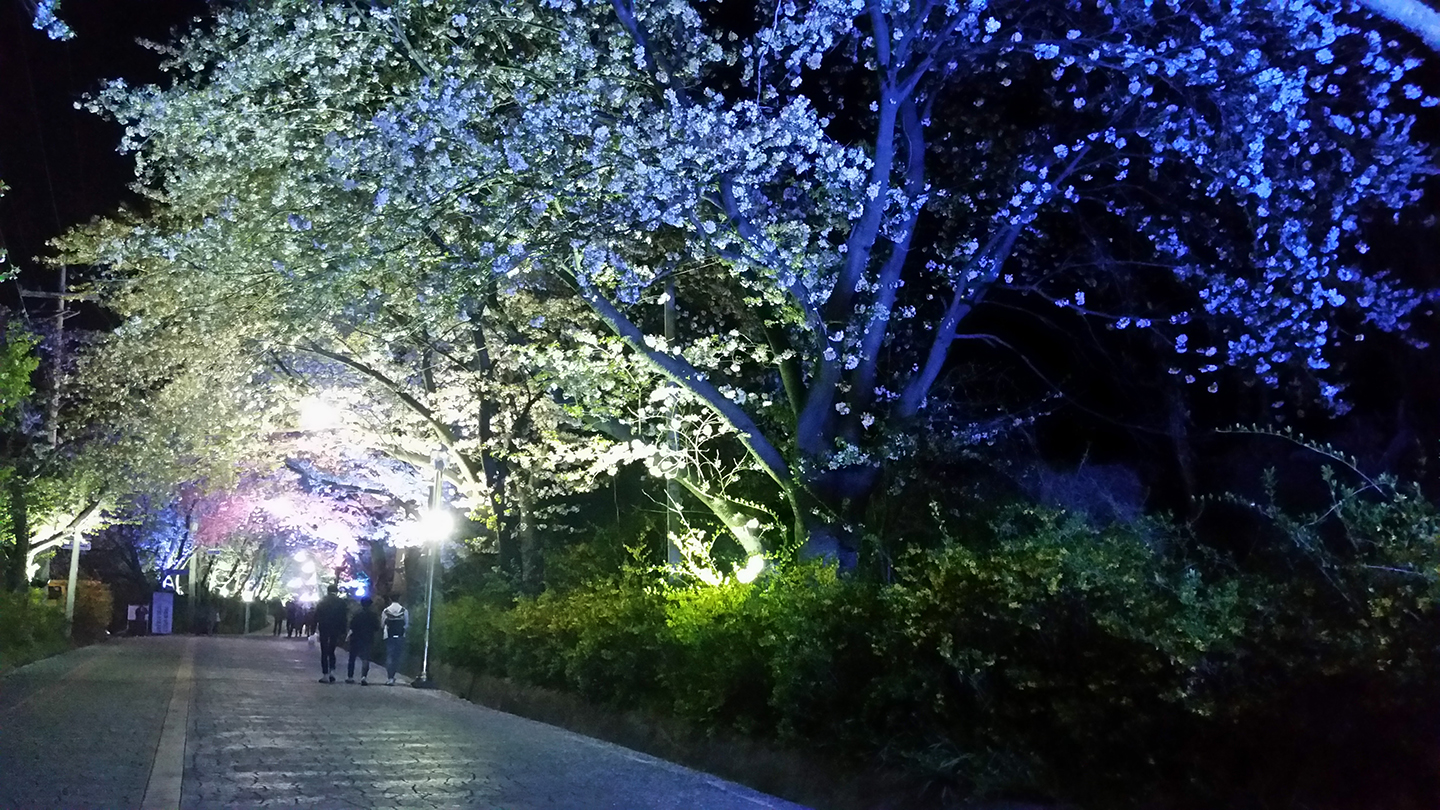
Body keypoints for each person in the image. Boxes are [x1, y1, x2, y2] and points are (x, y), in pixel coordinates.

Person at [315, 585, 349, 683]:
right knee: (332, 650)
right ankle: (332, 672)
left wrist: (313, 628)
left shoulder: (322, 602)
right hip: (336, 628)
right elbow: (344, 617)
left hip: (324, 628)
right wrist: (343, 630)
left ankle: (325, 674)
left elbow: (316, 615)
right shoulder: (341, 603)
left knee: (324, 651)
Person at [346, 597, 380, 685]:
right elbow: (377, 627)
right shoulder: (373, 615)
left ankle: (350, 677)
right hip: (368, 638)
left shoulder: (357, 614)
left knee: (352, 658)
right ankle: (363, 677)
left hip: (356, 638)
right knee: (365, 658)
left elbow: (352, 625)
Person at [381, 594, 409, 686]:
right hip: (400, 636)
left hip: (389, 636)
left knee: (389, 656)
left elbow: (382, 625)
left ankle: (390, 677)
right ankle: (394, 675)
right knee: (397, 657)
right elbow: (406, 625)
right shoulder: (404, 611)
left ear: (390, 598)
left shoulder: (386, 611)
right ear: (399, 599)